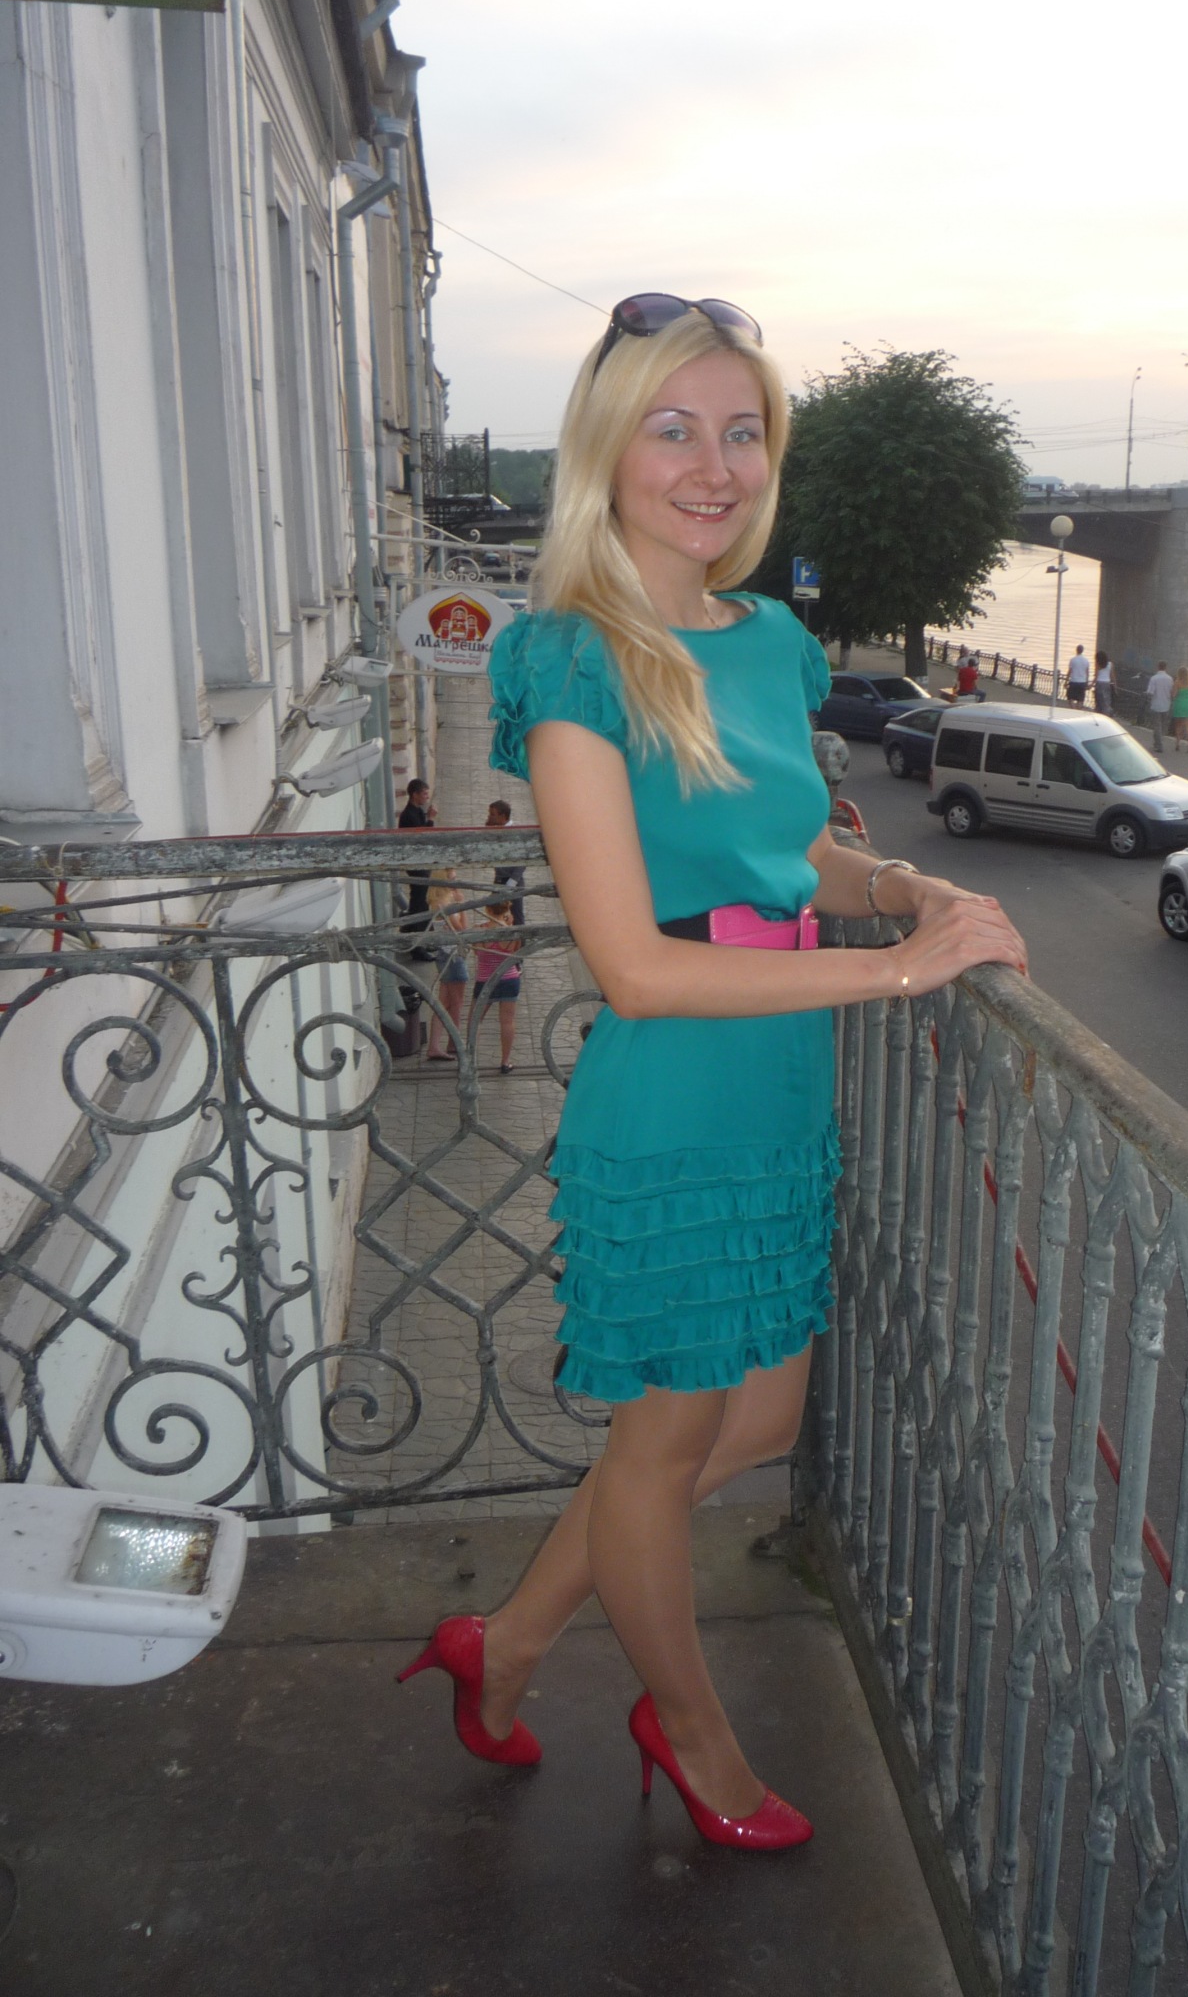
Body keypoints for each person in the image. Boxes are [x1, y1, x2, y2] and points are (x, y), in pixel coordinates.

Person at [393, 294, 1028, 1848]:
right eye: (673, 429)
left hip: (777, 1084)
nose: (714, 465)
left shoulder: (771, 644)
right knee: (669, 1441)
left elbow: (785, 851)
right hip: (676, 1092)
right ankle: (687, 1732)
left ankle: (505, 1641)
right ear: (608, 453)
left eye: (742, 432)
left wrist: (904, 890)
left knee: (746, 1428)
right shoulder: (570, 658)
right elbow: (635, 966)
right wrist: (896, 971)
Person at [423, 872, 470, 1061]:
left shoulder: (436, 902)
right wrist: (462, 906)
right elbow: (462, 929)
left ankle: (434, 1045)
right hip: (453, 957)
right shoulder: (446, 904)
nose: (455, 881)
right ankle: (454, 1043)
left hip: (444, 954)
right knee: (457, 1003)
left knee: (444, 1003)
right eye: (452, 878)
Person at [473, 899, 524, 1072]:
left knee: (475, 1021)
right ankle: (505, 1061)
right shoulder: (512, 933)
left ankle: (471, 1059)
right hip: (509, 978)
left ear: (487, 909)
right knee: (507, 1022)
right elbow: (516, 953)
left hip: (485, 980)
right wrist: (510, 924)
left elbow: (477, 952)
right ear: (507, 910)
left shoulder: (478, 931)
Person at [398, 777, 435, 953]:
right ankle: (417, 946)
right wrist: (431, 820)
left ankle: (422, 938)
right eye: (424, 794)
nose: (427, 797)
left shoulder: (417, 811)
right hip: (416, 863)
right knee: (419, 903)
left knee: (421, 901)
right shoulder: (409, 815)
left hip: (420, 862)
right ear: (415, 795)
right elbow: (422, 838)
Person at [1145, 658, 1174, 755]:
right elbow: (1172, 692)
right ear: (1166, 668)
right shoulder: (1170, 679)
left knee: (1157, 726)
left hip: (1156, 705)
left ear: (1158, 667)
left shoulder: (1154, 678)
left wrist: (1147, 697)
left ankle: (1158, 745)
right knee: (1163, 726)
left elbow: (1150, 692)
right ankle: (1159, 742)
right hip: (1166, 705)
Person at [1171, 667, 1188, 752]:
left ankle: (1177, 744)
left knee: (1178, 725)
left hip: (1179, 704)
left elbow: (1174, 695)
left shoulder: (1177, 682)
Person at [1093, 649, 1115, 715]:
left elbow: (1096, 676)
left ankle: (1098, 714)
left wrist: (1091, 685)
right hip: (1107, 684)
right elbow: (1112, 676)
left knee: (1098, 701)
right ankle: (1106, 714)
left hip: (1099, 683)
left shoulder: (1098, 665)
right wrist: (1115, 685)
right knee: (1106, 700)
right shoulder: (1110, 664)